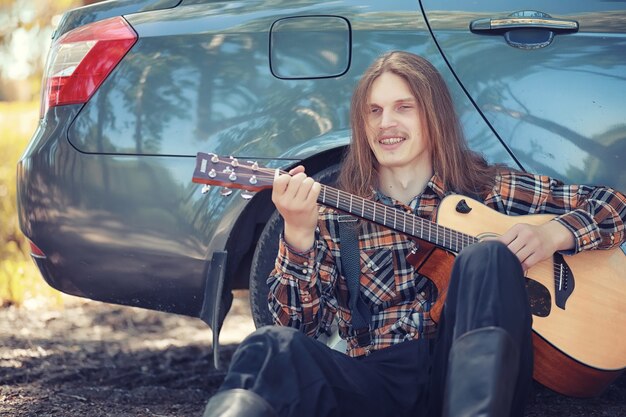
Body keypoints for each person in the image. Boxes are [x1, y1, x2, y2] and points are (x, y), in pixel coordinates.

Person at [203, 51, 626, 417]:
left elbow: (614, 206)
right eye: (374, 110)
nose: (386, 123)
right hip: (377, 380)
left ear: (433, 115)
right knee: (270, 347)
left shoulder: (485, 190)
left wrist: (553, 236)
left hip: (472, 378)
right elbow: (297, 329)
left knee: (487, 256)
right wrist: (297, 232)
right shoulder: (335, 213)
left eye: (404, 107)